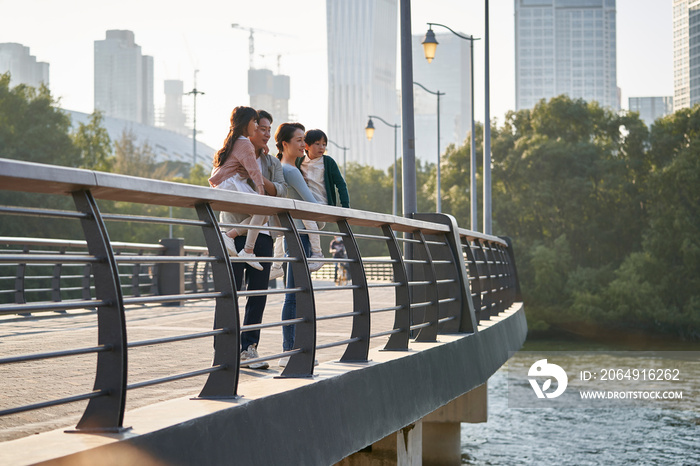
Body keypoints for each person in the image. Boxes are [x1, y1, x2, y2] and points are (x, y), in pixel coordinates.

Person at [216, 108, 287, 370]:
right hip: (231, 231)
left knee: (258, 295)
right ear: (250, 128)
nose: (266, 134)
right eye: (262, 128)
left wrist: (259, 176)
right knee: (229, 294)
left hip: (262, 236)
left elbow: (280, 190)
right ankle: (224, 351)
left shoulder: (272, 162)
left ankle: (248, 350)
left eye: (269, 129)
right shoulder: (236, 149)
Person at [275, 122, 322, 367]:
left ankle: (292, 349)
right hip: (299, 236)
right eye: (298, 140)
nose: (303, 145)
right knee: (296, 295)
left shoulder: (286, 169)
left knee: (294, 294)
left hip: (292, 236)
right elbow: (311, 201)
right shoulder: (291, 171)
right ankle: (290, 351)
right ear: (285, 144)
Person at [209, 106, 267, 270]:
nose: (256, 126)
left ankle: (230, 236)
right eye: (254, 122)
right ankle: (247, 250)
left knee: (264, 216)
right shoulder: (244, 143)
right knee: (263, 210)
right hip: (231, 184)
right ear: (245, 123)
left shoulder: (234, 140)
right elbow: (254, 170)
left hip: (225, 184)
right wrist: (261, 191)